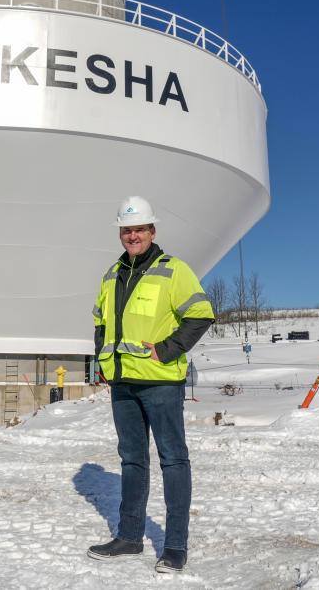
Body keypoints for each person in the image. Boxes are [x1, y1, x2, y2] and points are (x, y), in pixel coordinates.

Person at [87, 196, 215, 574]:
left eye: (139, 229)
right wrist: (103, 360)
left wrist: (165, 350)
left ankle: (175, 545)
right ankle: (129, 536)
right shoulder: (111, 275)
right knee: (132, 459)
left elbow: (200, 314)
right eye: (127, 230)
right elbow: (100, 323)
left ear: (152, 231)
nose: (132, 236)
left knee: (173, 459)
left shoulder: (172, 271)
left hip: (160, 382)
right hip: (123, 382)